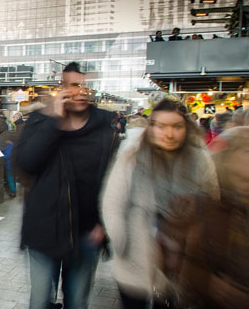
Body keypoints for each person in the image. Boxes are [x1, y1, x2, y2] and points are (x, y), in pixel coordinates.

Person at [15, 62, 118, 309]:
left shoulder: (105, 127)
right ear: (62, 87)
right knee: (39, 301)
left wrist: (104, 224)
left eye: (86, 86)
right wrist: (54, 123)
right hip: (44, 229)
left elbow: (112, 181)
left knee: (77, 302)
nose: (81, 91)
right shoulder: (41, 121)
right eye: (74, 85)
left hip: (86, 233)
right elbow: (26, 165)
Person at [101, 99, 219, 309]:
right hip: (135, 258)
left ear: (186, 128)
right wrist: (120, 242)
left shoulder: (199, 159)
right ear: (151, 127)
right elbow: (113, 201)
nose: (169, 134)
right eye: (162, 126)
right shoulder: (133, 156)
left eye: (176, 126)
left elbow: (212, 201)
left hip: (179, 265)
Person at [171, 127, 249, 309]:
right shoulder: (201, 203)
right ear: (228, 158)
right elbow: (177, 258)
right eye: (246, 150)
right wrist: (209, 284)